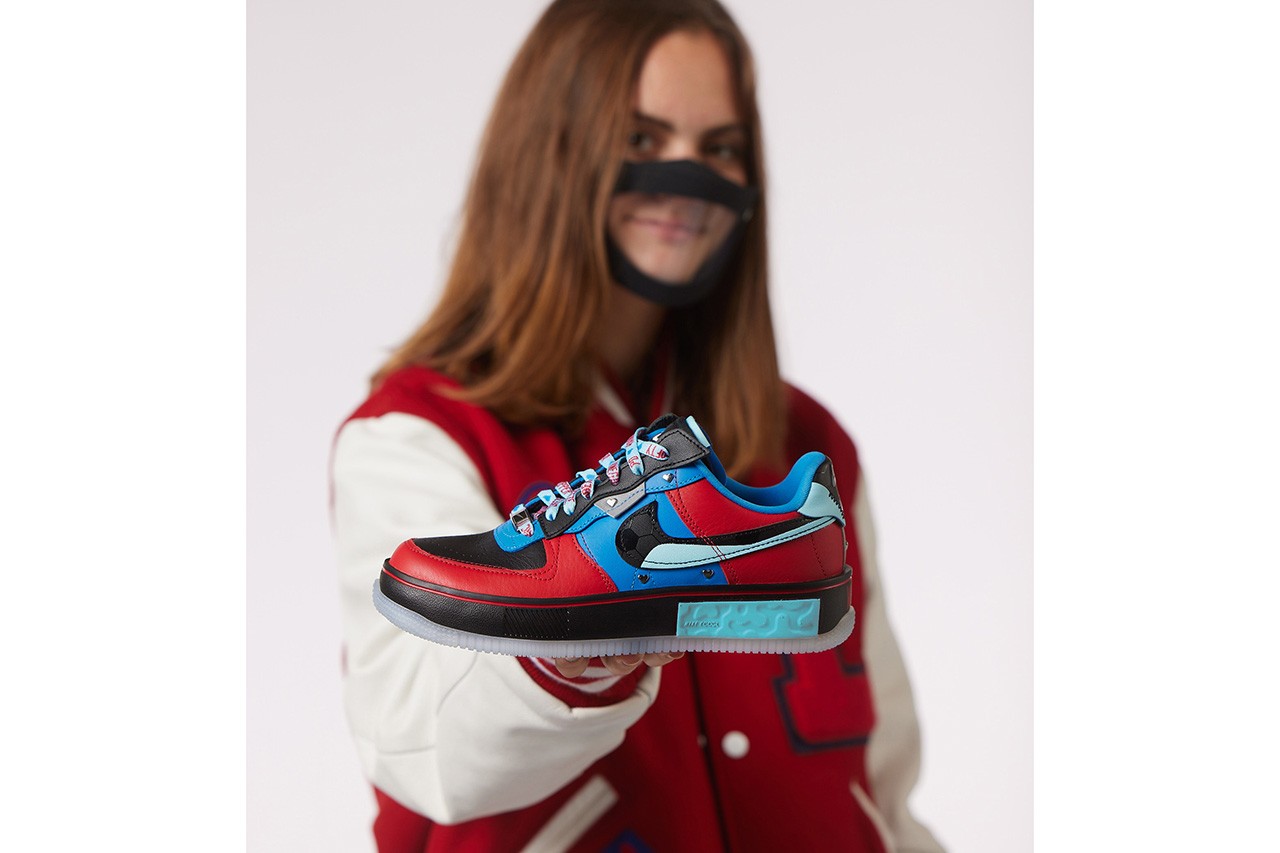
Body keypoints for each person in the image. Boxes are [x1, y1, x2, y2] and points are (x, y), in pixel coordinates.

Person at [331, 0, 944, 850]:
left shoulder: (807, 441)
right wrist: (575, 647)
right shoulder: (418, 432)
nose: (687, 179)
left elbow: (886, 778)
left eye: (719, 148)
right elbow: (425, 749)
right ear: (551, 149)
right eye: (643, 138)